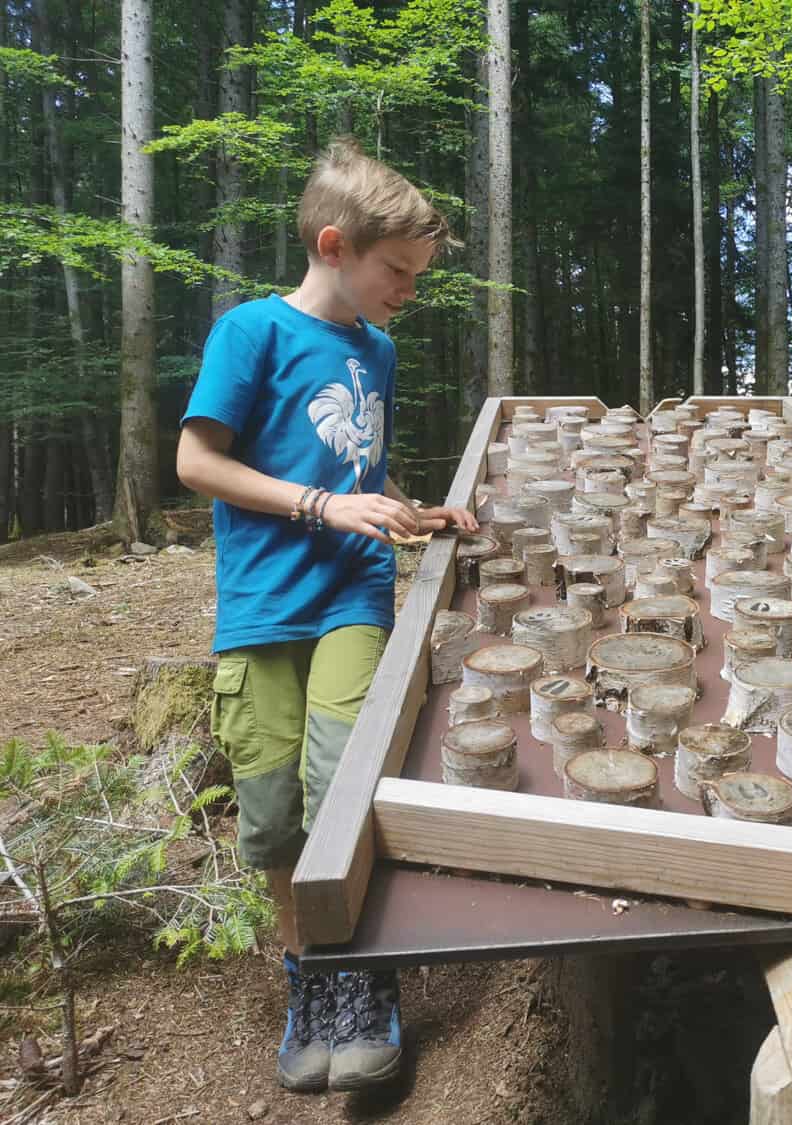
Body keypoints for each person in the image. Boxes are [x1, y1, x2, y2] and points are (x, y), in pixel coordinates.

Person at [176, 139, 477, 1093]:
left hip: (352, 592)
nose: (409, 292)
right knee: (272, 816)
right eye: (399, 272)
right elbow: (196, 462)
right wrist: (321, 506)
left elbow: (357, 474)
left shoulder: (377, 350)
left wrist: (412, 510)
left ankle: (362, 975)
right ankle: (309, 978)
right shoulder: (251, 333)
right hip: (263, 606)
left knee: (345, 782)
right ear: (335, 246)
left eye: (417, 275)